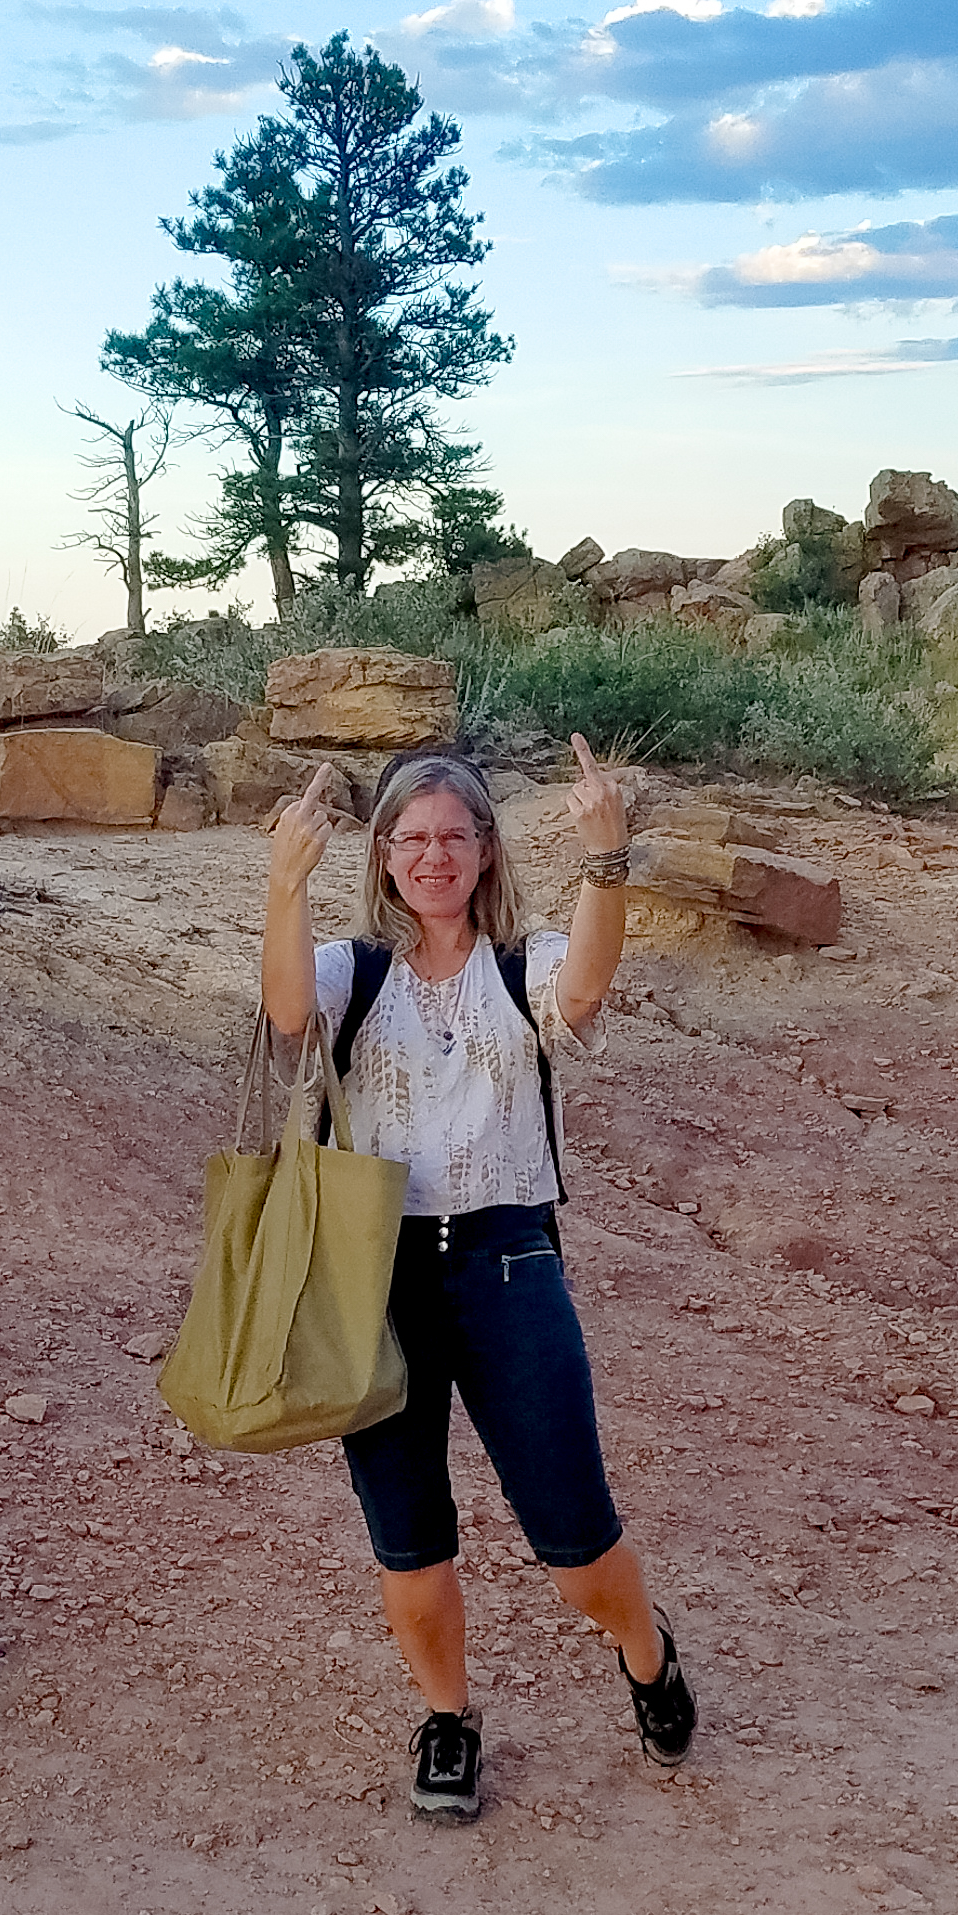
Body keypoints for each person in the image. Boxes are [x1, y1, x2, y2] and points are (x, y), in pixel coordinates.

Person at [258, 738, 696, 1820]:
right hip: (380, 1276)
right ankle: (449, 1719)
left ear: (487, 850)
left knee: (576, 1540)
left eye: (455, 836)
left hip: (510, 1261)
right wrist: (282, 884)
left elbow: (585, 992)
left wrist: (608, 863)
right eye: (412, 839)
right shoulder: (352, 973)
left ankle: (646, 1650)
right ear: (384, 855)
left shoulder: (522, 966)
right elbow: (282, 1017)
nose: (434, 857)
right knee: (409, 1540)